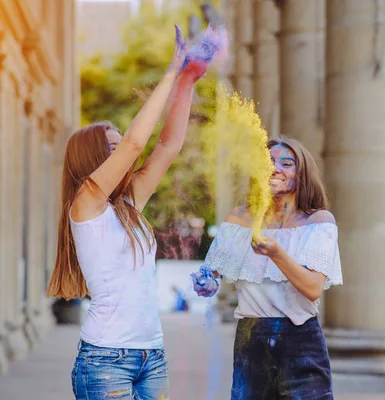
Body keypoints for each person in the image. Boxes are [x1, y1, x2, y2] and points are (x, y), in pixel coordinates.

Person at [47, 25, 223, 400]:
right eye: (110, 149)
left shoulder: (128, 204)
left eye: (117, 146)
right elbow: (135, 143)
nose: (121, 155)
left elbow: (169, 145)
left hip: (152, 356)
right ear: (92, 158)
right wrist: (171, 72)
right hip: (106, 359)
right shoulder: (86, 203)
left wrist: (188, 81)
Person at [191, 137, 343, 400]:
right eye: (268, 162)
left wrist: (276, 253)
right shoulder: (238, 219)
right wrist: (206, 282)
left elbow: (312, 288)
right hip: (252, 340)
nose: (275, 168)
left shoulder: (318, 221)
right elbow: (213, 275)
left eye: (287, 163)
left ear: (302, 173)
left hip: (301, 341)